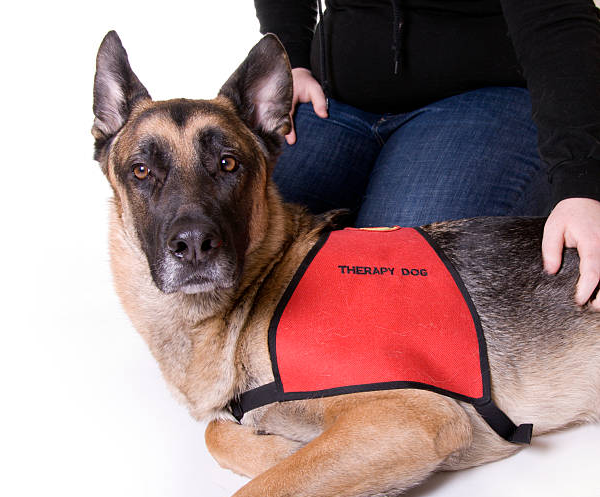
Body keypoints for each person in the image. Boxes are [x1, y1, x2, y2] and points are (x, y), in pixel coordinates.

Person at [254, 0, 600, 310]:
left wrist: (582, 182)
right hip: (333, 97)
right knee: (246, 241)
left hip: (485, 95)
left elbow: (554, 19)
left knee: (391, 280)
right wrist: (292, 60)